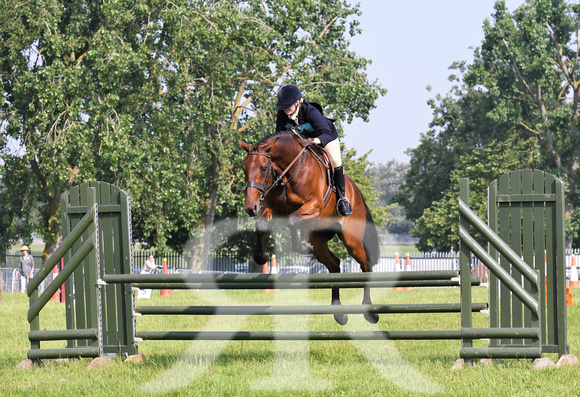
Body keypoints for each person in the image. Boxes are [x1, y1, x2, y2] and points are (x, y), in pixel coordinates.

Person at [275, 83, 352, 216]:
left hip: (324, 137)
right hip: (301, 142)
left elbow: (326, 133)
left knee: (336, 161)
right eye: (283, 107)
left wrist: (312, 141)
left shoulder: (310, 111)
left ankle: (342, 199)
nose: (286, 109)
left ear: (298, 102)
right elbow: (279, 136)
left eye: (289, 106)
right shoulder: (282, 114)